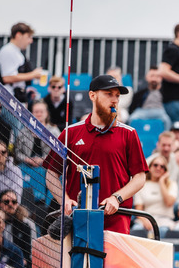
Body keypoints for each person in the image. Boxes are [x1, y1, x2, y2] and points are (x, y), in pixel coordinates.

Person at [44, 74, 147, 234]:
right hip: (77, 219)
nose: (115, 100)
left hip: (116, 221)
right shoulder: (70, 133)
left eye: (117, 96)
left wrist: (117, 198)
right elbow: (51, 173)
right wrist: (64, 200)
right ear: (92, 95)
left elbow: (140, 177)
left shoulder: (129, 133)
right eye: (109, 94)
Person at [0, 22, 44, 102]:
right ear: (18, 35)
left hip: (15, 100)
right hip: (7, 100)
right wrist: (33, 75)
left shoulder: (16, 52)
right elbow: (7, 77)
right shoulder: (8, 50)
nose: (31, 41)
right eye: (28, 37)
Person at [130, 155, 178, 237]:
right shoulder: (142, 185)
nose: (158, 168)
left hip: (165, 220)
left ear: (165, 170)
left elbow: (169, 202)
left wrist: (162, 182)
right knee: (137, 229)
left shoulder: (171, 184)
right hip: (147, 218)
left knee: (163, 231)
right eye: (155, 165)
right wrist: (145, 221)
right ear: (150, 166)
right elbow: (139, 210)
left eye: (162, 166)